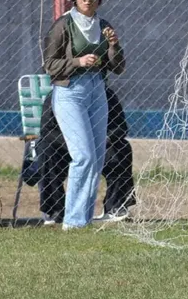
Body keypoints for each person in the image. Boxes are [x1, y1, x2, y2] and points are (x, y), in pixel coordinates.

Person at [42, 0, 125, 229]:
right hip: (70, 93)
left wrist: (113, 46)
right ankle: (73, 222)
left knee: (97, 158)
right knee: (84, 156)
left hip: (97, 92)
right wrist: (78, 62)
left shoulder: (104, 25)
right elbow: (49, 65)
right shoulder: (63, 25)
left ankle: (84, 219)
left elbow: (118, 67)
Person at [37, 84, 136, 225]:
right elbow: (47, 130)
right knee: (45, 148)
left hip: (100, 145)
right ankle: (55, 210)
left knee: (122, 148)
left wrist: (102, 140)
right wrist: (75, 145)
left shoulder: (106, 95)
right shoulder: (57, 95)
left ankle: (116, 206)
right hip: (64, 146)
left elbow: (120, 127)